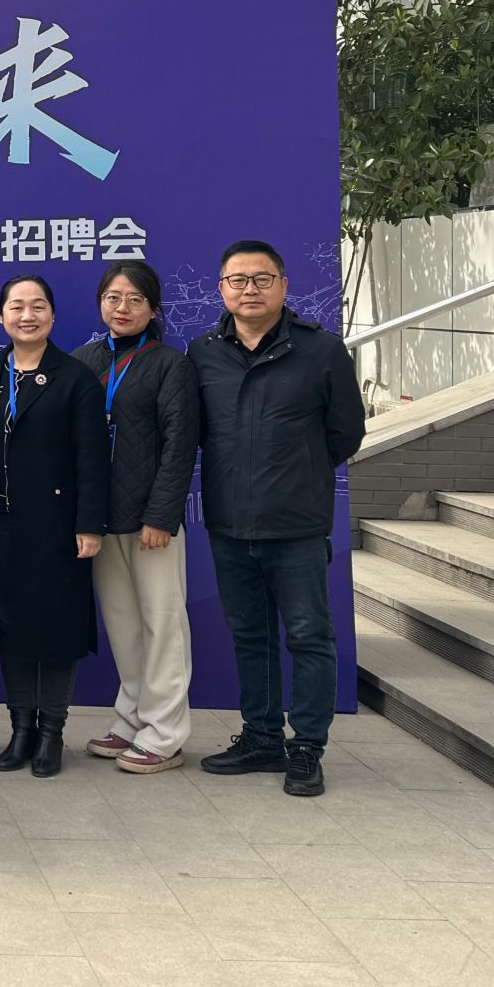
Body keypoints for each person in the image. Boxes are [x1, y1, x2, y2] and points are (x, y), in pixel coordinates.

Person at [190, 240, 364, 799]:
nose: (250, 290)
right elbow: (197, 432)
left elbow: (346, 432)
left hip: (297, 523)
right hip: (229, 522)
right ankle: (262, 738)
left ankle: (306, 747)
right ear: (222, 289)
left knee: (310, 636)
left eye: (262, 279)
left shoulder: (321, 350)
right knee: (250, 635)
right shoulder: (203, 353)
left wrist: (299, 473)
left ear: (284, 286)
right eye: (238, 280)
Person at [0, 275, 109, 779]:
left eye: (37, 306)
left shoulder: (75, 378)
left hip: (57, 527)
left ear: (52, 314)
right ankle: (20, 730)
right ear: (1, 316)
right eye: (16, 307)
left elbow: (92, 459)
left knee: (56, 628)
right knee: (12, 627)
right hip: (1, 526)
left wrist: (89, 524)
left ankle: (52, 732)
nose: (26, 316)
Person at [70, 262, 200, 775]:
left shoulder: (170, 365)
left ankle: (165, 734)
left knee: (163, 625)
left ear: (153, 308)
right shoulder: (83, 360)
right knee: (123, 626)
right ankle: (131, 719)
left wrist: (162, 516)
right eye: (113, 297)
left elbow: (179, 446)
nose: (122, 308)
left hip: (151, 523)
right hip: (101, 521)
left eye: (134, 300)